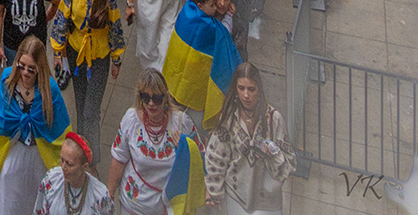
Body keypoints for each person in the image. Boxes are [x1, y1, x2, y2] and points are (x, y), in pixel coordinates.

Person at [51, 0, 125, 163]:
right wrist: (58, 51)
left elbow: (115, 27)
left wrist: (116, 59)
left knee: (91, 111)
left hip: (99, 57)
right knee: (80, 103)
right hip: (76, 54)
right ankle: (80, 150)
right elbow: (61, 19)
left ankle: (92, 159)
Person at [0, 36, 71, 215]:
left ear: (40, 68)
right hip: (15, 150)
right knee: (10, 201)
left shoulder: (50, 89)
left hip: (40, 155)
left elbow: (60, 127)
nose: (25, 72)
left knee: (38, 201)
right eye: (22, 65)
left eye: (31, 68)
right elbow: (1, 118)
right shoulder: (7, 80)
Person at [203, 62, 295, 214]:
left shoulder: (274, 119)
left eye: (251, 89)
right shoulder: (229, 119)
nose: (246, 95)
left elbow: (289, 164)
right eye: (241, 88)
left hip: (266, 201)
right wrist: (214, 192)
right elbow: (216, 157)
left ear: (259, 89)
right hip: (236, 196)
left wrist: (273, 155)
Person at [107, 69, 200, 215]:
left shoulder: (182, 123)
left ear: (165, 97)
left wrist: (184, 147)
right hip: (132, 206)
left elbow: (200, 156)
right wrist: (109, 197)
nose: (151, 103)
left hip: (168, 208)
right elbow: (118, 159)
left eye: (156, 98)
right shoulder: (130, 120)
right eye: (145, 97)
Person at [34, 131, 115, 215]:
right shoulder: (51, 180)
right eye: (62, 160)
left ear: (84, 166)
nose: (63, 167)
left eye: (69, 164)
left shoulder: (100, 195)